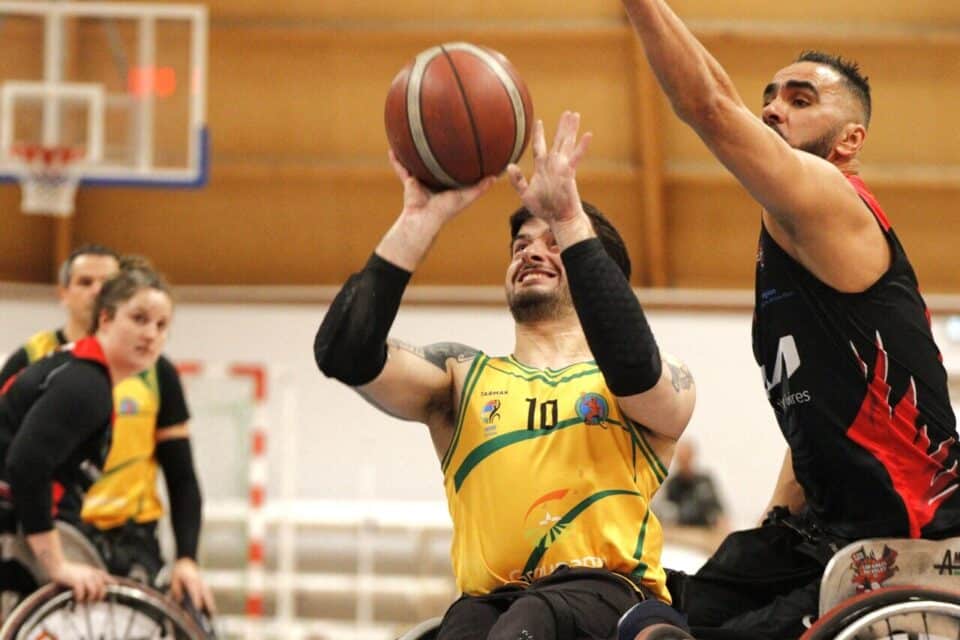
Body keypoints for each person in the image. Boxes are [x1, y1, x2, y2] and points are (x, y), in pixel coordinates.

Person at [620, 2, 960, 638]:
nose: (774, 108)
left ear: (850, 141)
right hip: (828, 533)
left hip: (911, 545)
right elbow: (817, 415)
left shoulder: (834, 202)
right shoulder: (788, 247)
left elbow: (711, 107)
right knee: (635, 606)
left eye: (801, 100)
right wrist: (768, 526)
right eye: (770, 96)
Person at [315, 112, 696, 640]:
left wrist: (570, 216)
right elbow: (344, 353)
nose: (532, 251)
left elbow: (634, 364)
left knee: (530, 621)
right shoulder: (459, 377)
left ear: (595, 275)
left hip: (611, 603)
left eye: (555, 243)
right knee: (469, 627)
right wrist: (418, 222)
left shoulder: (655, 378)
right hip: (489, 605)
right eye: (521, 245)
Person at [0, 248, 215, 614]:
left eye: (161, 326)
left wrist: (187, 556)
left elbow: (182, 475)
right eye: (139, 319)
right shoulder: (86, 384)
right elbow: (24, 465)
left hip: (117, 529)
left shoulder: (90, 371)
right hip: (40, 526)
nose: (150, 334)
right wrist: (56, 564)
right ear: (106, 318)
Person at [659, 442, 725, 529]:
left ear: (692, 457)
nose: (684, 463)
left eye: (686, 458)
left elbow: (718, 510)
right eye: (681, 459)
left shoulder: (705, 481)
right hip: (682, 533)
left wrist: (721, 521)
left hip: (704, 533)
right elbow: (666, 512)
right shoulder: (672, 484)